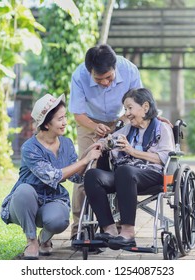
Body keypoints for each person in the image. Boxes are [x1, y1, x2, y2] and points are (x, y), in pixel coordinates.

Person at [0, 94, 102, 260]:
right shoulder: (30, 148)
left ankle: (44, 239)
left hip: (53, 200)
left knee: (59, 220)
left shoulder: (67, 143)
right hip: (24, 203)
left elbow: (76, 177)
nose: (65, 122)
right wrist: (84, 160)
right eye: (60, 119)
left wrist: (89, 152)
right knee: (25, 190)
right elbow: (53, 176)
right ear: (46, 124)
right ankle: (31, 241)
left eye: (65, 117)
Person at [83, 88, 175, 250]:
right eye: (125, 109)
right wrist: (103, 143)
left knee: (125, 171)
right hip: (124, 176)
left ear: (145, 107)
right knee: (92, 175)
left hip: (152, 175)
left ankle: (128, 232)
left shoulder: (163, 128)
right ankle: (110, 229)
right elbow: (111, 142)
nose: (127, 113)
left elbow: (166, 158)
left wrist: (132, 152)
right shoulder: (127, 130)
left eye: (130, 108)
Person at [68, 44, 143, 238]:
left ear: (115, 67)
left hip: (122, 119)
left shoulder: (129, 70)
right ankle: (80, 227)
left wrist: (123, 122)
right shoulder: (79, 76)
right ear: (89, 72)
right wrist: (94, 127)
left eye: (109, 78)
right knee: (85, 170)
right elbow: (78, 113)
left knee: (122, 166)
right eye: (99, 79)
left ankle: (119, 223)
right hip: (88, 121)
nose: (105, 83)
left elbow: (140, 103)